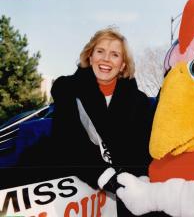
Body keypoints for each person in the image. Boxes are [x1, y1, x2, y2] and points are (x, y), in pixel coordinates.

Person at [1, 27, 154, 216]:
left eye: (115, 54)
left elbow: (141, 151)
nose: (106, 59)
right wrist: (106, 177)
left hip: (124, 190)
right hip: (68, 171)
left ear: (123, 64)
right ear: (90, 57)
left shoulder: (139, 102)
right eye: (100, 51)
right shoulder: (67, 88)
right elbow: (69, 139)